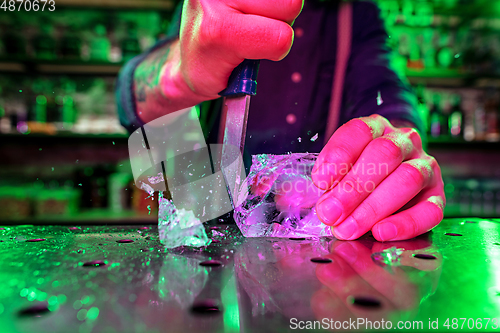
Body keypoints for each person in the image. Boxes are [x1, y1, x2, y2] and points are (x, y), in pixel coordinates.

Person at [116, 0, 445, 242]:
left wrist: (392, 147)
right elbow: (132, 93)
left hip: (315, 242)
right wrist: (179, 73)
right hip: (211, 230)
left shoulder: (354, 11)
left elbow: (384, 88)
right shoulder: (211, 4)